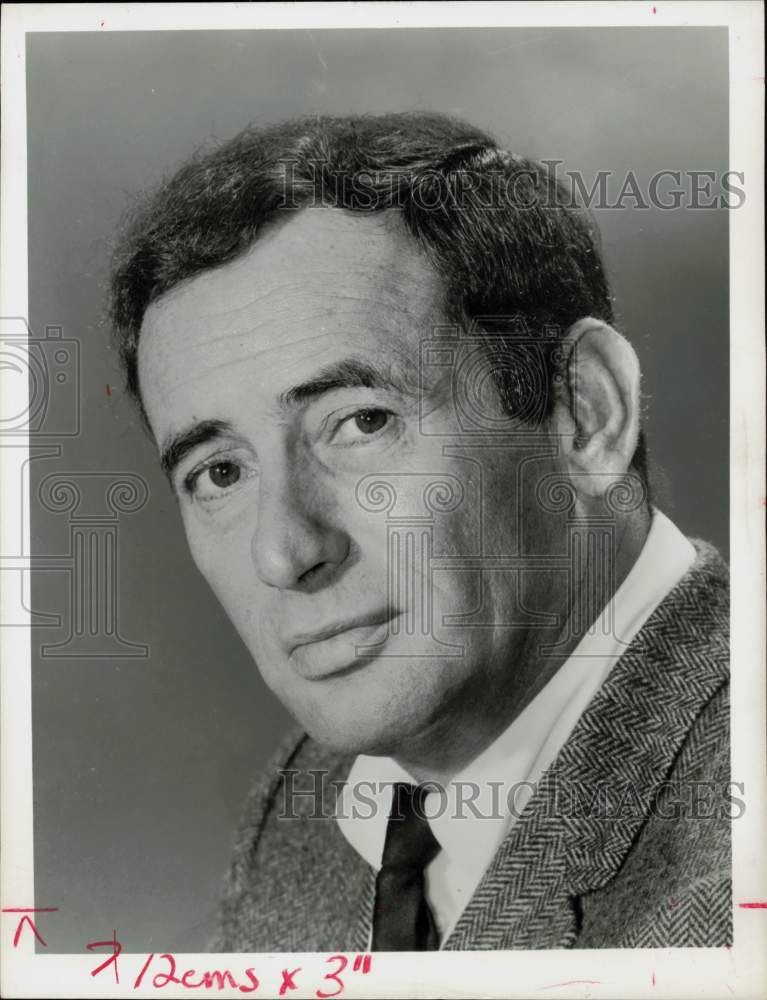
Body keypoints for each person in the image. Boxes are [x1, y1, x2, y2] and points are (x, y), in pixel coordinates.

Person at [108, 112, 730, 951]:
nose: (285, 552)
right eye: (219, 472)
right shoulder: (306, 813)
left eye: (361, 422)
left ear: (586, 411)